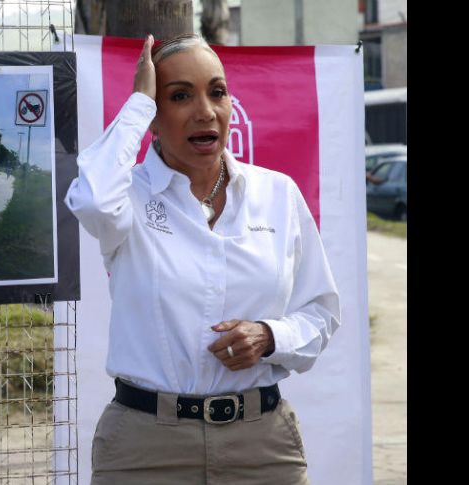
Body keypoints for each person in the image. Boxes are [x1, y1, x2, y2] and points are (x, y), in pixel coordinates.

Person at [65, 33, 341, 484]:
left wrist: (269, 335)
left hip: (261, 446)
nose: (205, 111)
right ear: (154, 114)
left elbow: (321, 312)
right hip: (145, 448)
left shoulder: (277, 193)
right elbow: (91, 201)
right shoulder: (127, 196)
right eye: (179, 96)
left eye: (217, 91)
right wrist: (137, 103)